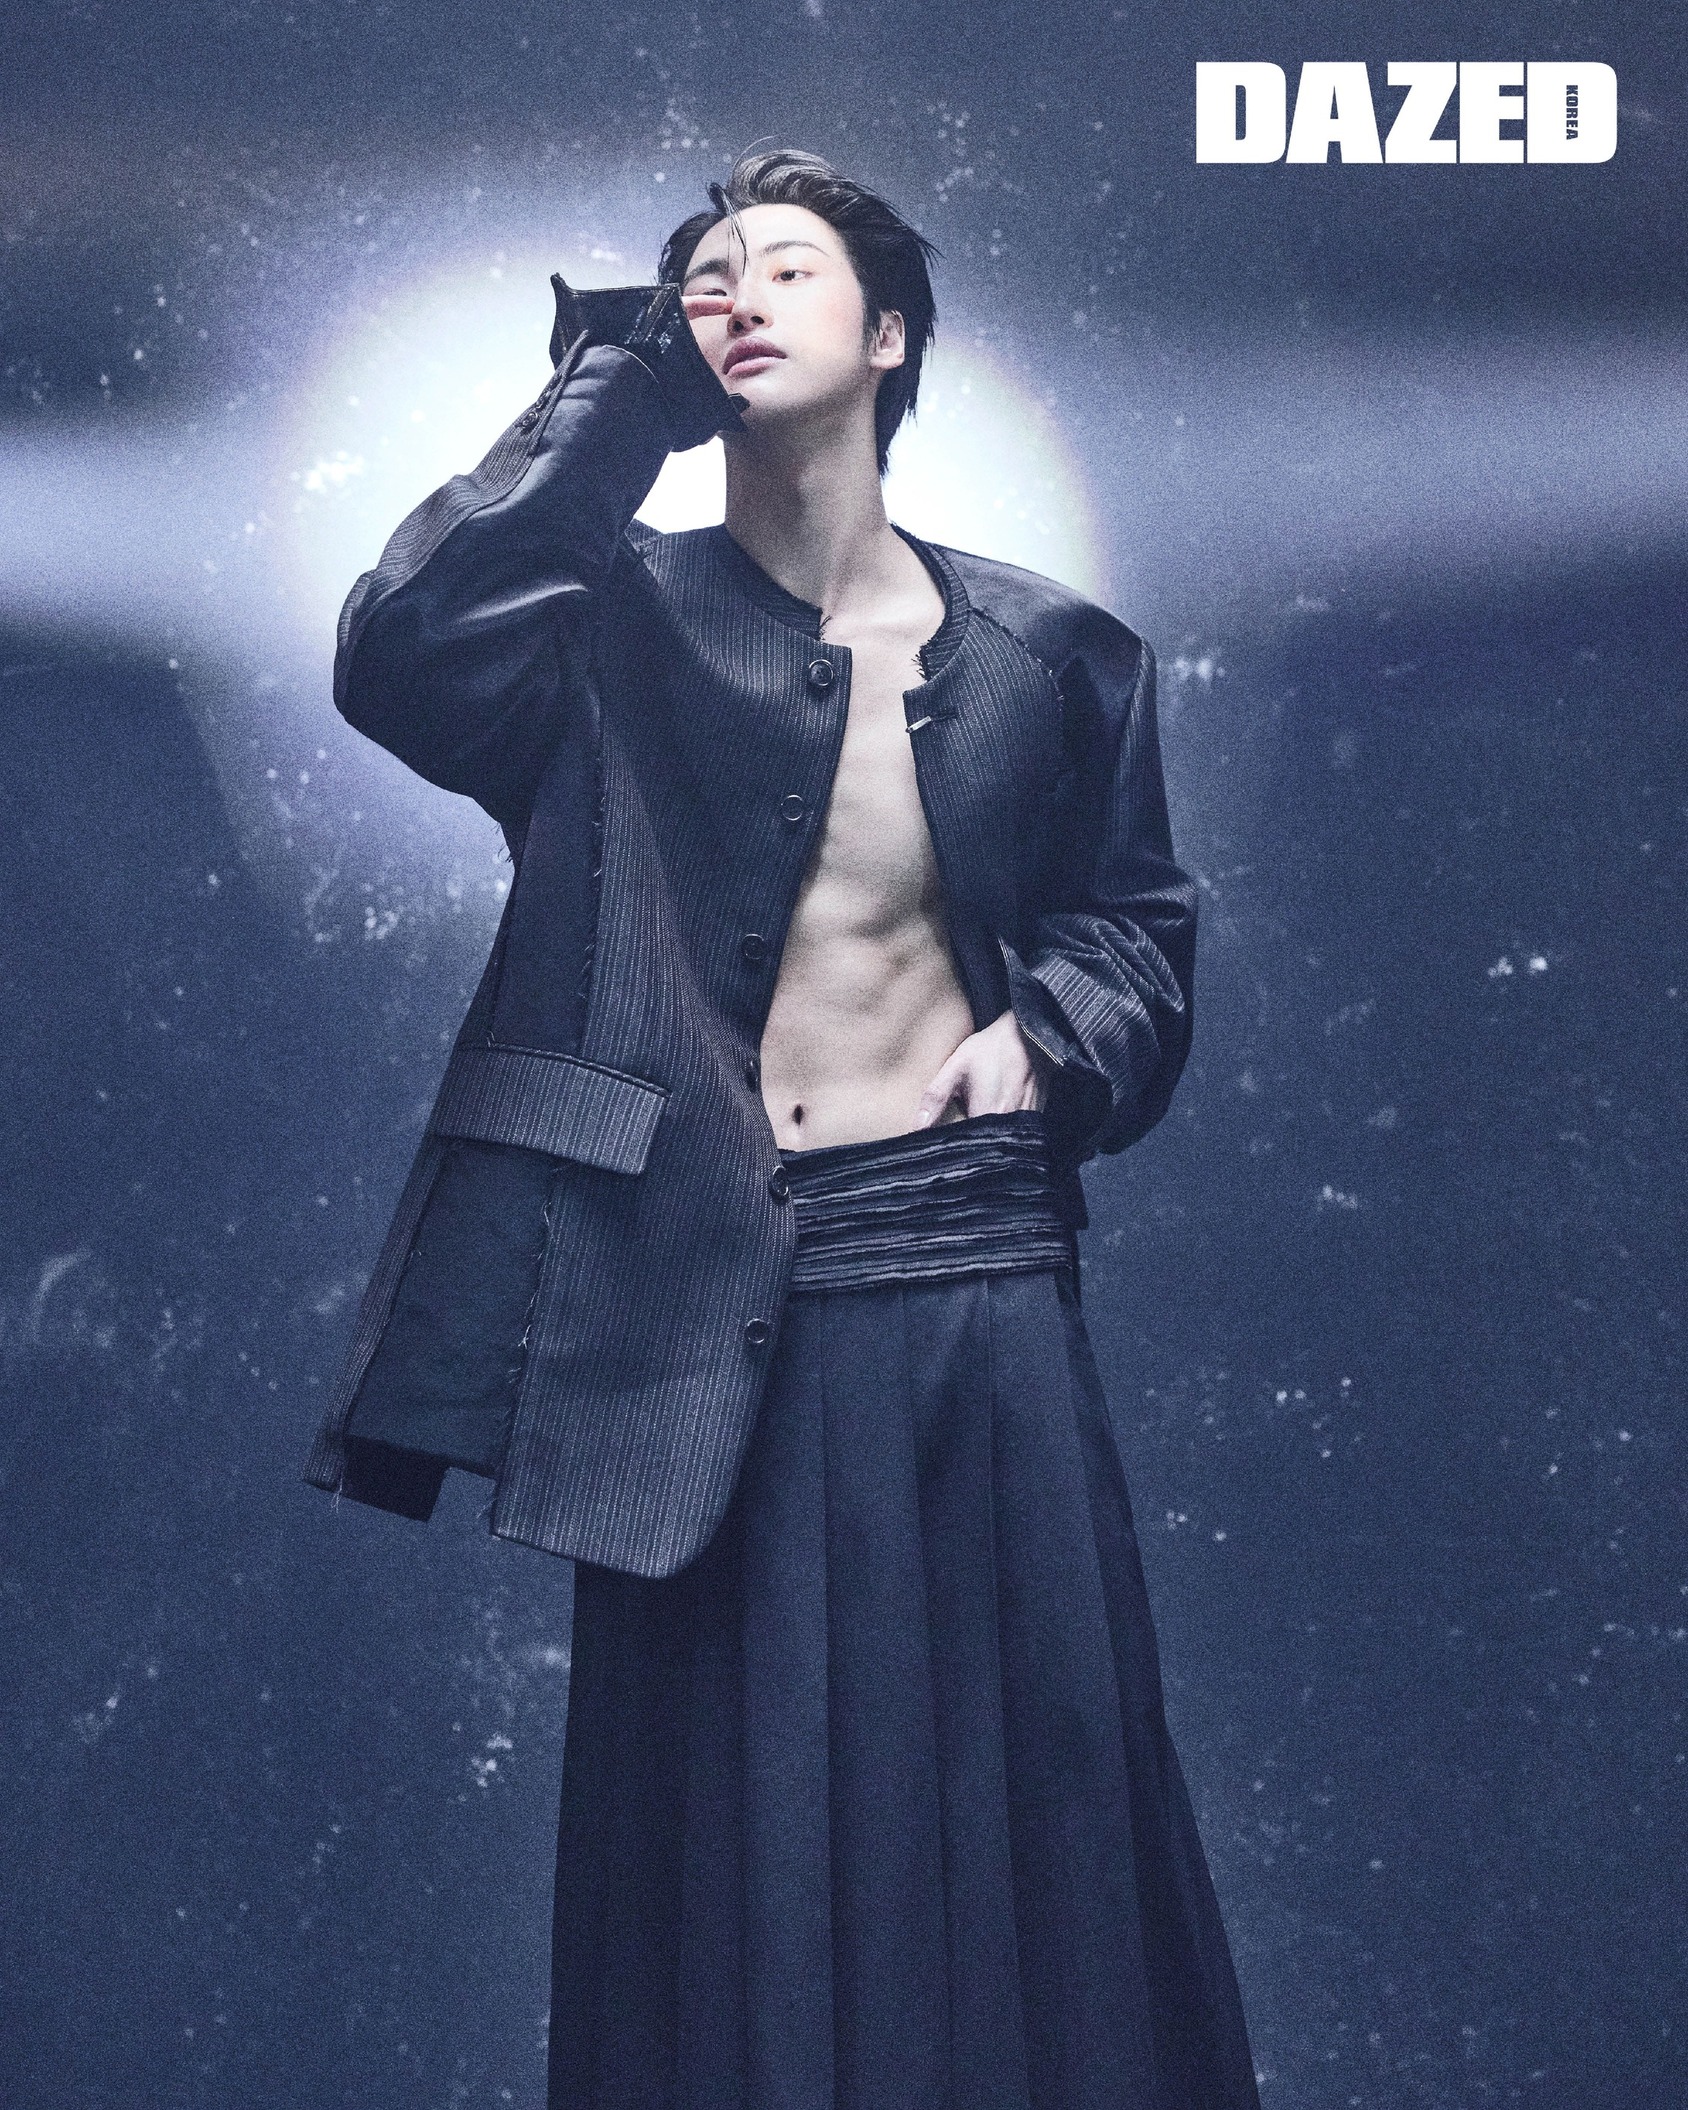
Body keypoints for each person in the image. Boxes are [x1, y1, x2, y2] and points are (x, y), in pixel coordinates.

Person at [305, 144, 1260, 2109]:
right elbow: (403, 652)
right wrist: (615, 398)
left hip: (973, 1283)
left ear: (890, 333)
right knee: (717, 1859)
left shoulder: (1057, 651)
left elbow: (1137, 928)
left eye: (785, 265)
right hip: (689, 1313)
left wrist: (1052, 1039)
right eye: (704, 277)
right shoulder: (595, 623)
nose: (736, 293)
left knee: (1033, 1810)